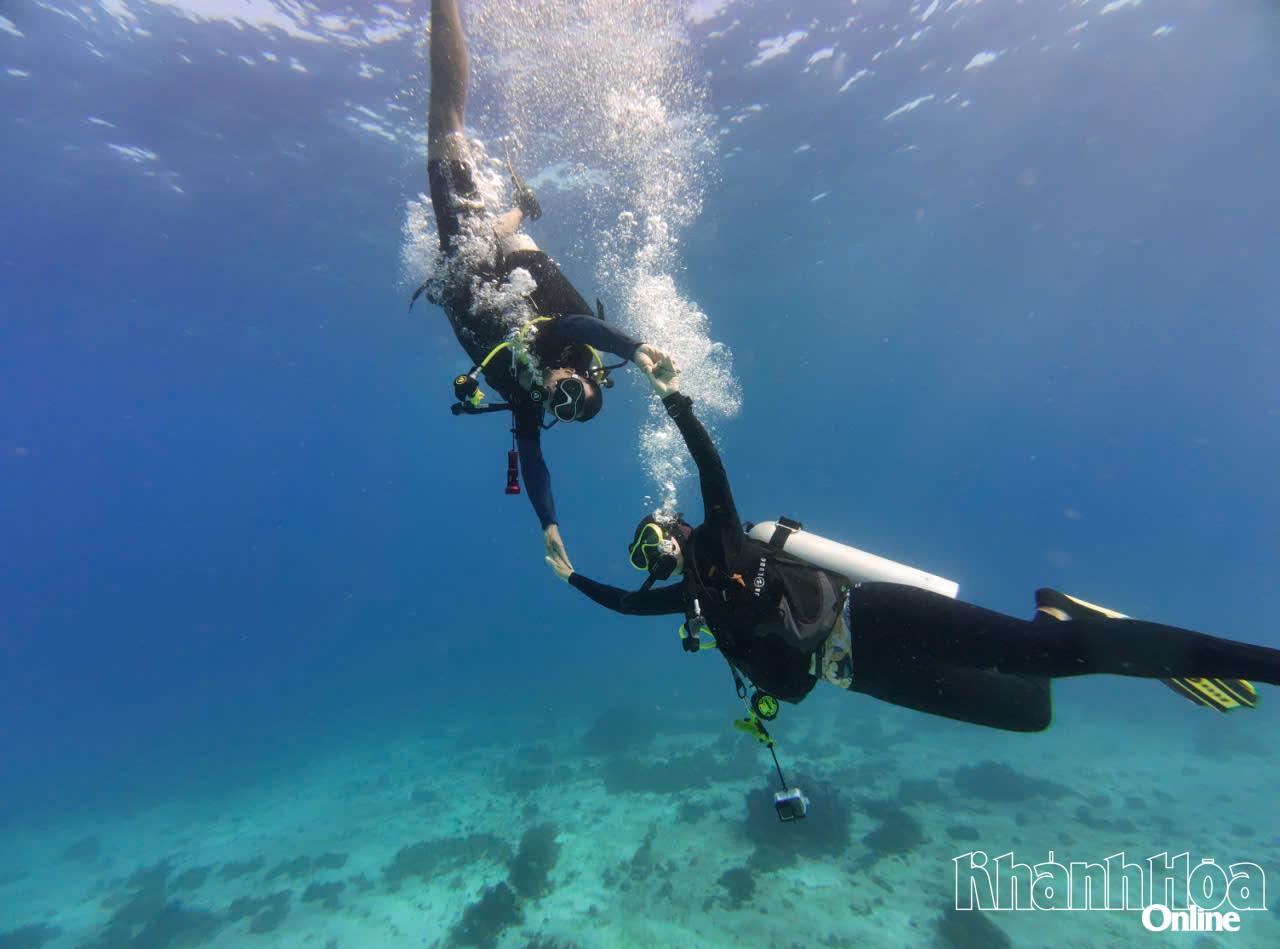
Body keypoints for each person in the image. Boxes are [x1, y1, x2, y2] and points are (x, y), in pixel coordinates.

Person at [545, 362, 1278, 732]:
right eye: (644, 558)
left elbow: (710, 470)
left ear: (675, 528)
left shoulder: (725, 540)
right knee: (1028, 714)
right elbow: (621, 606)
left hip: (874, 620)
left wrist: (676, 402)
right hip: (860, 675)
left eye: (650, 542)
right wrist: (574, 575)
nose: (653, 561)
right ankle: (1057, 612)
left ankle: (1259, 664)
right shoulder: (694, 601)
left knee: (1042, 659)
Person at [417, 0, 672, 568]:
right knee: (445, 128)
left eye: (560, 404)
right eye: (568, 390)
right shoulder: (565, 344)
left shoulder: (533, 400)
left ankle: (516, 214)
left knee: (459, 201)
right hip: (490, 265)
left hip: (466, 278)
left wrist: (549, 523)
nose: (552, 392)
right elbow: (580, 323)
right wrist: (633, 347)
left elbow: (533, 457)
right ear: (580, 374)